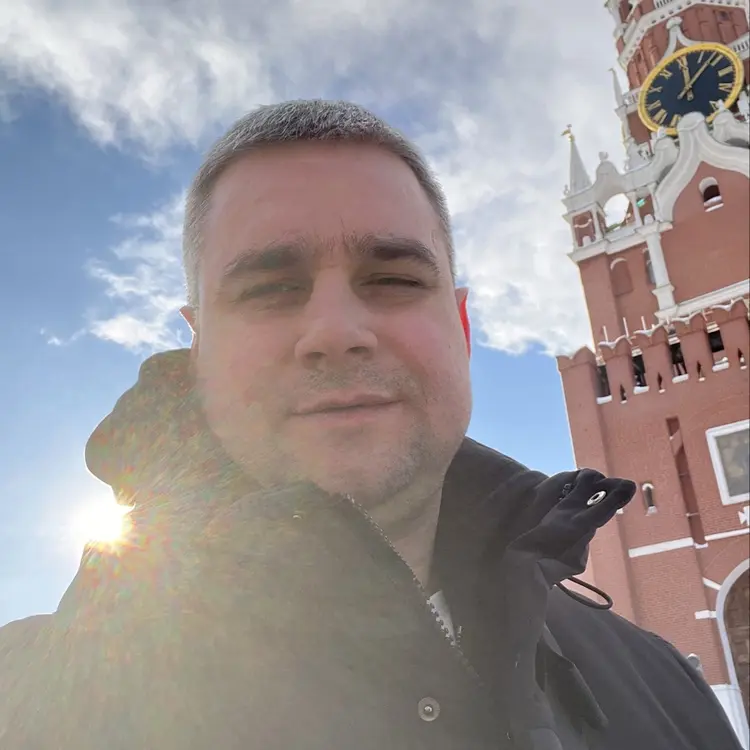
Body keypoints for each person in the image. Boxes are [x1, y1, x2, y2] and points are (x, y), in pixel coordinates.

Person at [0, 100, 742, 750]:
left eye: (392, 279)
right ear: (198, 350)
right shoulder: (30, 704)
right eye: (269, 289)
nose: (336, 331)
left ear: (461, 328)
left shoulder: (662, 690)